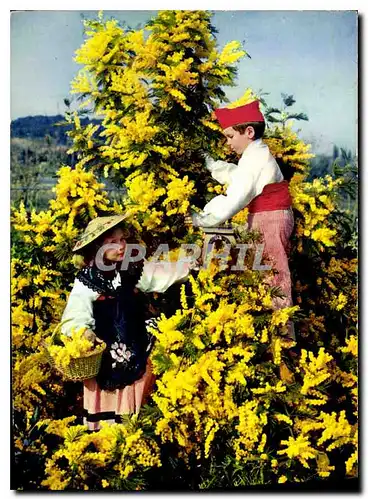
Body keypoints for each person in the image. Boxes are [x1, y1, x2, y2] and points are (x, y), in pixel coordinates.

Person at [60, 214, 193, 431]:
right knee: (109, 402)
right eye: (113, 242)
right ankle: (108, 439)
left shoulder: (131, 269)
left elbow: (162, 274)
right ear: (97, 247)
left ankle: (134, 434)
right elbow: (75, 313)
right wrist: (83, 332)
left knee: (139, 393)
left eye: (122, 240)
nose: (121, 246)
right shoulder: (88, 279)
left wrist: (195, 265)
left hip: (135, 341)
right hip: (105, 352)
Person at [191, 100, 295, 337]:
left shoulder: (255, 159)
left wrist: (202, 219)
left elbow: (236, 196)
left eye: (229, 136)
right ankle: (273, 334)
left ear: (248, 132)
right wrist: (209, 162)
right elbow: (237, 177)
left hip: (269, 219)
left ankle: (282, 338)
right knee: (267, 274)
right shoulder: (254, 156)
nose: (227, 143)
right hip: (267, 218)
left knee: (274, 276)